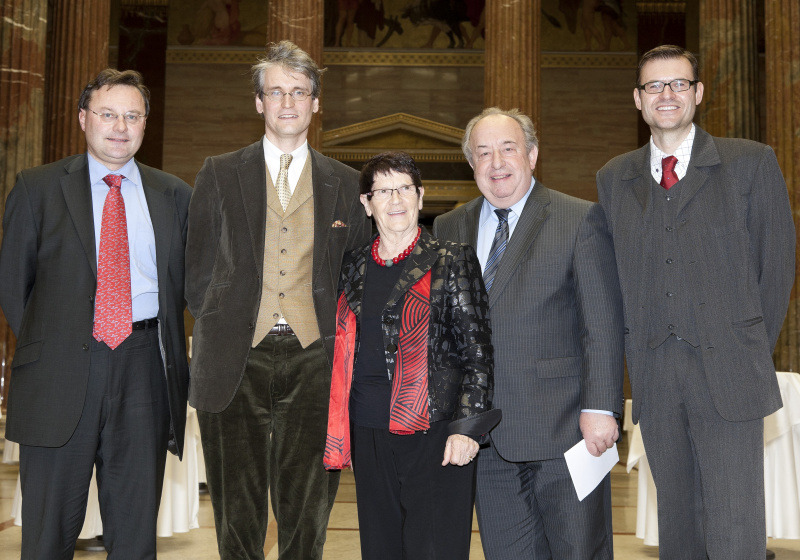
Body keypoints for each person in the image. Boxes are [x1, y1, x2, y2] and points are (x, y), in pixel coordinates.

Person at [596, 45, 796, 559]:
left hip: (730, 374)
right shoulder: (613, 178)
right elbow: (614, 280)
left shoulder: (751, 163)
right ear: (637, 100)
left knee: (734, 527)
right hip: (657, 378)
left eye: (679, 84)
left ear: (698, 92)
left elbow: (775, 269)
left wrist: (745, 348)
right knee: (678, 528)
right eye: (655, 86)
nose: (667, 95)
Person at [186, 40, 370, 559]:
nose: (287, 102)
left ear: (315, 103)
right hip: (235, 358)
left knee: (307, 513)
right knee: (236, 516)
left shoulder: (345, 181)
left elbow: (356, 272)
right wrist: (225, 324)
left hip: (316, 358)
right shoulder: (220, 173)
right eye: (275, 92)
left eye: (299, 92)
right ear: (259, 103)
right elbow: (196, 270)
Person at [0, 68, 191, 558]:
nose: (120, 126)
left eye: (132, 116)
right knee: (46, 539)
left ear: (146, 124)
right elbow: (12, 288)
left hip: (145, 369)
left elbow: (187, 285)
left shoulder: (174, 195)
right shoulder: (37, 188)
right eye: (108, 114)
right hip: (60, 374)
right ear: (84, 118)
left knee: (133, 538)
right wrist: (58, 343)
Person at [433, 107, 624, 559]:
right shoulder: (448, 227)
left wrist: (601, 407)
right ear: (471, 164)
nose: (496, 162)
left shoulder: (579, 219)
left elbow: (602, 323)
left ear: (532, 155)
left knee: (579, 551)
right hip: (486, 440)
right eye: (483, 153)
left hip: (565, 430)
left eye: (508, 149)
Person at [323, 151, 498, 559]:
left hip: (435, 432)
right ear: (367, 203)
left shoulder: (451, 259)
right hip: (368, 428)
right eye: (383, 190)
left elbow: (478, 352)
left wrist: (466, 427)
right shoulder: (352, 265)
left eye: (404, 188)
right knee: (380, 547)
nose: (396, 199)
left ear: (420, 197)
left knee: (434, 547)